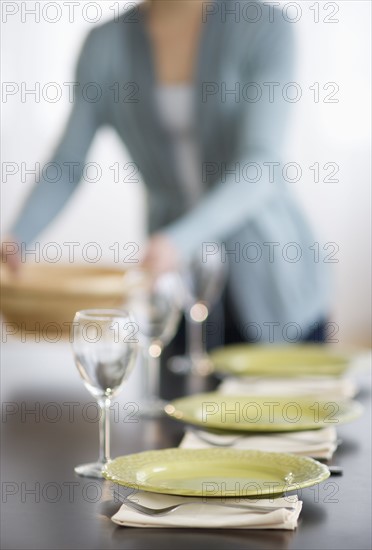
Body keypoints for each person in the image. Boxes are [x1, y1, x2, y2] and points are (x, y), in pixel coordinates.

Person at [1, 0, 329, 344]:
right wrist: (18, 237)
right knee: (176, 391)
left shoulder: (263, 26)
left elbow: (261, 165)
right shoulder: (105, 45)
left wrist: (179, 240)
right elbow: (67, 164)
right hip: (170, 282)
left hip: (272, 273)